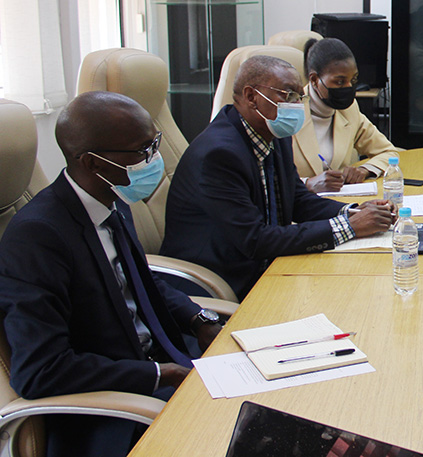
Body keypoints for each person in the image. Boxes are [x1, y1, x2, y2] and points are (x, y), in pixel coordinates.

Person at [0, 91, 222, 457]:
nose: (155, 159)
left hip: (162, 366)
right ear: (93, 162)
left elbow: (141, 284)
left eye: (155, 144)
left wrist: (200, 319)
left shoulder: (112, 199)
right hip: (112, 415)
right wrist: (158, 375)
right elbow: (40, 370)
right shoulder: (37, 237)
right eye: (142, 151)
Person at [160, 55, 395, 300]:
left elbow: (297, 200)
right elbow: (255, 240)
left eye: (298, 97)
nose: (296, 105)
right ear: (251, 97)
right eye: (287, 95)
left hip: (266, 266)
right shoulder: (219, 154)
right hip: (220, 282)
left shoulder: (274, 134)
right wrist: (350, 227)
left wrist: (353, 212)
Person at [294, 37, 404, 194]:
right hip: (298, 209)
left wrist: (365, 169)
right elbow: (265, 177)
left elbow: (389, 152)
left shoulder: (349, 109)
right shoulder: (289, 111)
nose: (348, 87)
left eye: (353, 80)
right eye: (339, 82)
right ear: (314, 79)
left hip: (341, 204)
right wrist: (307, 183)